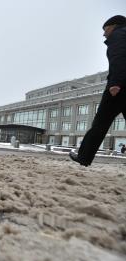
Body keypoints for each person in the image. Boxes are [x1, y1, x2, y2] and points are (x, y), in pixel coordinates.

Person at [70, 15, 126, 166]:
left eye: (105, 29)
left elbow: (119, 58)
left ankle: (84, 156)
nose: (104, 34)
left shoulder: (119, 36)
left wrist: (116, 83)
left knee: (100, 123)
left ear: (114, 26)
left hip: (119, 87)